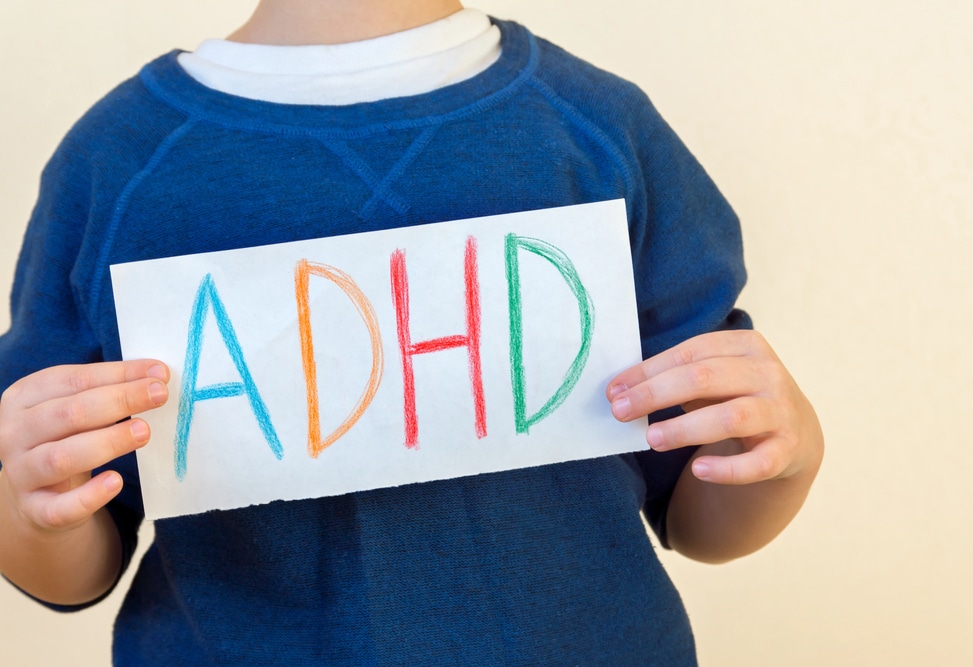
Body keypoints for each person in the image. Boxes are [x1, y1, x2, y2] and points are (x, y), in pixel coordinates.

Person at [0, 1, 823, 664]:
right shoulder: (117, 164)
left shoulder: (600, 129)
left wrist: (786, 457)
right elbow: (79, 559)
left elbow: (698, 516)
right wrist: (30, 507)